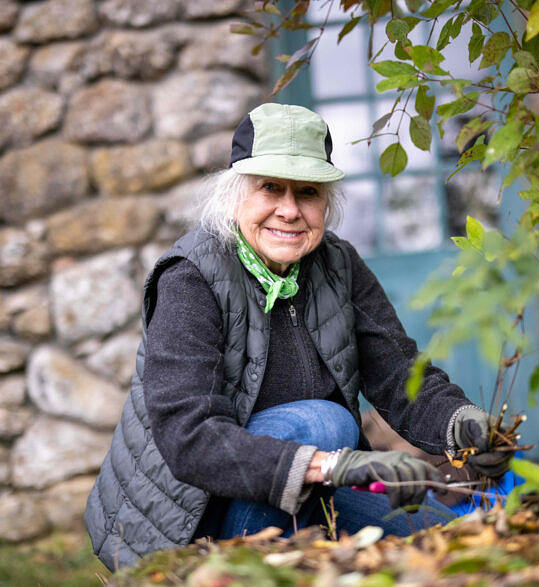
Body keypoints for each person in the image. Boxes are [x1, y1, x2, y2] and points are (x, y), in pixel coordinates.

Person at [84, 103, 511, 571]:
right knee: (324, 423)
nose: (288, 210)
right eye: (270, 187)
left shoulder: (338, 265)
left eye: (307, 192)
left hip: (308, 486)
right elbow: (190, 436)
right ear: (235, 194)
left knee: (439, 537)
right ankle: (244, 572)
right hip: (193, 516)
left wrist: (465, 426)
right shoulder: (191, 278)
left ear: (325, 201)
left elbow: (399, 376)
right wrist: (334, 465)